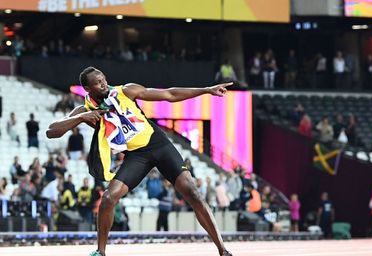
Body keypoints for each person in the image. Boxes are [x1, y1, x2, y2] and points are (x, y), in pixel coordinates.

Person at [45, 67, 233, 256]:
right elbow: (51, 131)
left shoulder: (126, 91)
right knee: (109, 198)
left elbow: (169, 94)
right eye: (97, 82)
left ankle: (223, 250)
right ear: (87, 88)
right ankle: (100, 252)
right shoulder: (85, 110)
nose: (103, 83)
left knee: (193, 192)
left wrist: (207, 89)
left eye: (103, 79)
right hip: (136, 155)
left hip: (158, 145)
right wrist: (80, 117)